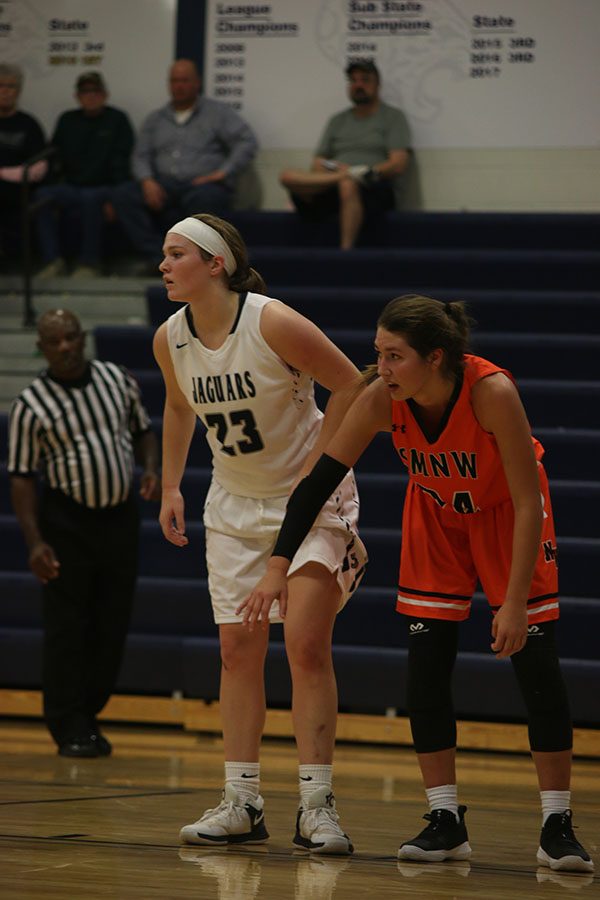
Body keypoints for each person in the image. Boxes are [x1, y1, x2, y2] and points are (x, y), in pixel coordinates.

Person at [241, 294, 594, 874]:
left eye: (395, 356)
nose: (381, 368)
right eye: (377, 353)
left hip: (508, 519)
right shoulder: (381, 399)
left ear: (436, 358)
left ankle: (557, 823)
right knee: (425, 665)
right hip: (435, 517)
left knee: (536, 664)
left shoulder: (491, 392)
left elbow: (530, 503)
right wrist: (279, 562)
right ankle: (444, 818)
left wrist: (509, 605)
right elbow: (320, 480)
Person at [153, 213, 367, 854]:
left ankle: (317, 804)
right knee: (237, 653)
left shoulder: (271, 320)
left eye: (175, 254)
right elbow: (176, 405)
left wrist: (320, 468)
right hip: (235, 506)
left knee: (304, 644)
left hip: (310, 500)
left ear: (215, 263)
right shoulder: (170, 338)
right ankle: (242, 800)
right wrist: (170, 485)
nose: (162, 265)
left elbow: (357, 385)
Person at [8, 309, 160, 758]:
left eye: (72, 338)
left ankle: (88, 715)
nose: (66, 348)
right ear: (42, 346)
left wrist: (150, 468)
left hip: (119, 517)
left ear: (83, 337)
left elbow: (143, 431)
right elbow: (21, 478)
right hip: (66, 523)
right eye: (55, 342)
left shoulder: (117, 378)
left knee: (113, 622)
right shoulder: (30, 404)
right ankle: (66, 722)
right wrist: (35, 541)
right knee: (67, 627)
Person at [112, 60, 258, 274]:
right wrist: (147, 181)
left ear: (196, 83)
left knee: (206, 199)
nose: (178, 86)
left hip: (202, 185)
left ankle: (196, 264)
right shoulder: (156, 119)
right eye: (174, 81)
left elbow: (247, 142)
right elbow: (140, 155)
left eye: (184, 80)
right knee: (123, 195)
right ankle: (157, 258)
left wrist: (223, 172)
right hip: (164, 185)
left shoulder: (217, 113)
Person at [279, 59, 411, 250]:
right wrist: (344, 172)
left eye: (365, 80)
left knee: (348, 184)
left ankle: (345, 250)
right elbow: (317, 164)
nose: (358, 85)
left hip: (373, 186)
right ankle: (346, 176)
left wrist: (364, 171)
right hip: (333, 181)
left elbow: (398, 164)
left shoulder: (393, 117)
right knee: (287, 176)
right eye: (353, 81)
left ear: (377, 85)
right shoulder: (337, 120)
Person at [35, 71, 134, 279]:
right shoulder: (67, 120)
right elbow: (54, 158)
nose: (91, 96)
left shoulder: (117, 119)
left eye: (96, 91)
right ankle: (52, 260)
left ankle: (90, 263)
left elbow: (123, 164)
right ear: (77, 97)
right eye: (85, 92)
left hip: (104, 187)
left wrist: (115, 198)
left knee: (91, 198)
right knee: (42, 195)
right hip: (72, 186)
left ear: (105, 95)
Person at [0, 63, 47, 261]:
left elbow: (39, 169)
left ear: (18, 92)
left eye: (10, 86)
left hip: (18, 192)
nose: (4, 91)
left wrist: (3, 174)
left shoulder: (29, 124)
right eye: (0, 85)